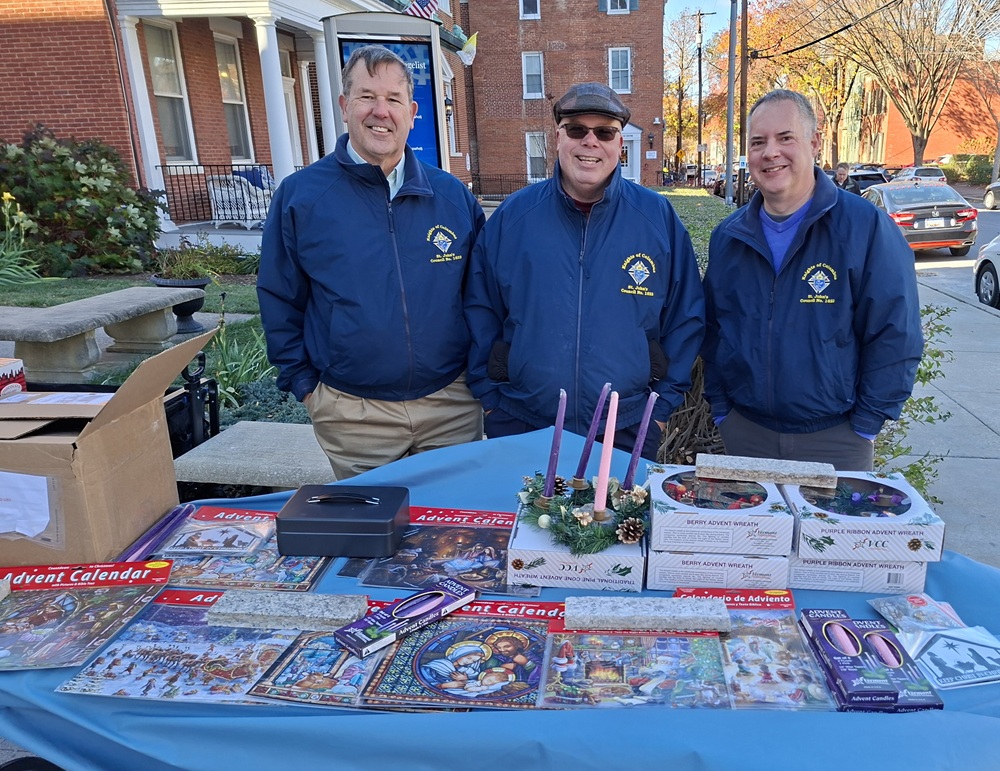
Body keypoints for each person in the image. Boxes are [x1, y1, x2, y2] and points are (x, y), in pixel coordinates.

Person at [258, 45, 485, 479]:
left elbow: (482, 297)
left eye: (393, 99)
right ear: (344, 106)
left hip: (451, 405)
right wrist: (305, 386)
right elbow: (279, 296)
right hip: (353, 413)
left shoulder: (451, 197)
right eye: (367, 96)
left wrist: (478, 379)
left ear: (412, 112)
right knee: (372, 523)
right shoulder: (302, 197)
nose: (381, 111)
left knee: (456, 520)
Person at [464, 82, 705, 460]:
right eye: (577, 129)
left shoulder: (656, 218)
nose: (590, 141)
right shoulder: (514, 217)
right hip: (523, 422)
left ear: (619, 143)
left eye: (604, 132)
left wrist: (658, 412)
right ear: (558, 137)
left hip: (625, 427)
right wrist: (491, 401)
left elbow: (685, 317)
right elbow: (481, 308)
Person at [701, 89, 923, 470]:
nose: (770, 152)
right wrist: (722, 409)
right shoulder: (728, 237)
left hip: (837, 440)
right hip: (745, 434)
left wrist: (867, 424)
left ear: (814, 143)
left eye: (785, 137)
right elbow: (713, 331)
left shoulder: (865, 228)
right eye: (758, 142)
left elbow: (895, 332)